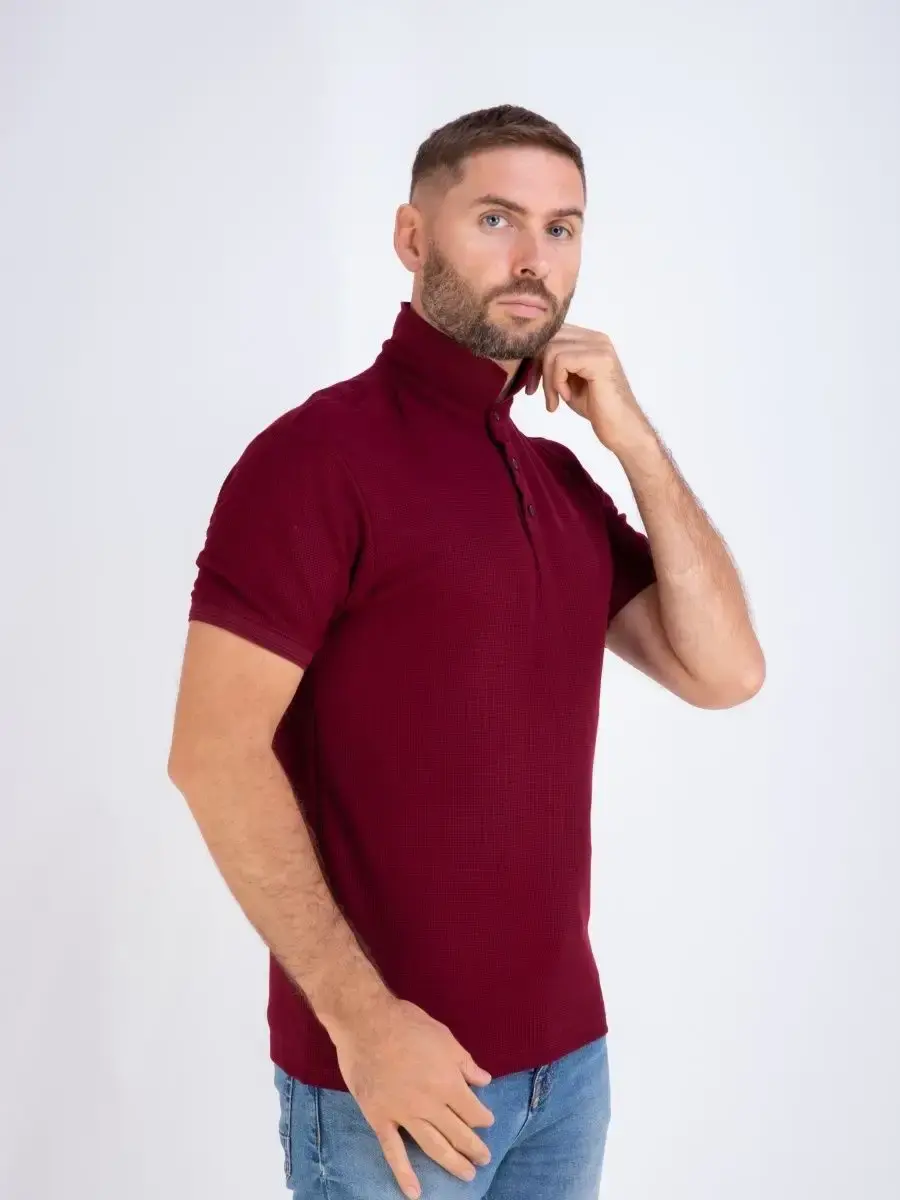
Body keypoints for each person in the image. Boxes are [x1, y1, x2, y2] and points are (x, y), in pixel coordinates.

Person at [167, 104, 764, 1199]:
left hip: (568, 1075)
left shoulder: (560, 482)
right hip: (395, 1086)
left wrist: (633, 440)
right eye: (497, 218)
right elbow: (212, 754)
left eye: (562, 228)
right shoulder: (316, 460)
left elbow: (726, 672)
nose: (534, 257)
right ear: (413, 237)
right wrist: (364, 1022)